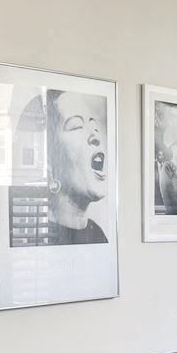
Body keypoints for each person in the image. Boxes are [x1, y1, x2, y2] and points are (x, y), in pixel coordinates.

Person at [47, 89, 109, 245]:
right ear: (49, 159)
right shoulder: (41, 234)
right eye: (76, 127)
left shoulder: (99, 236)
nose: (95, 137)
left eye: (95, 128)